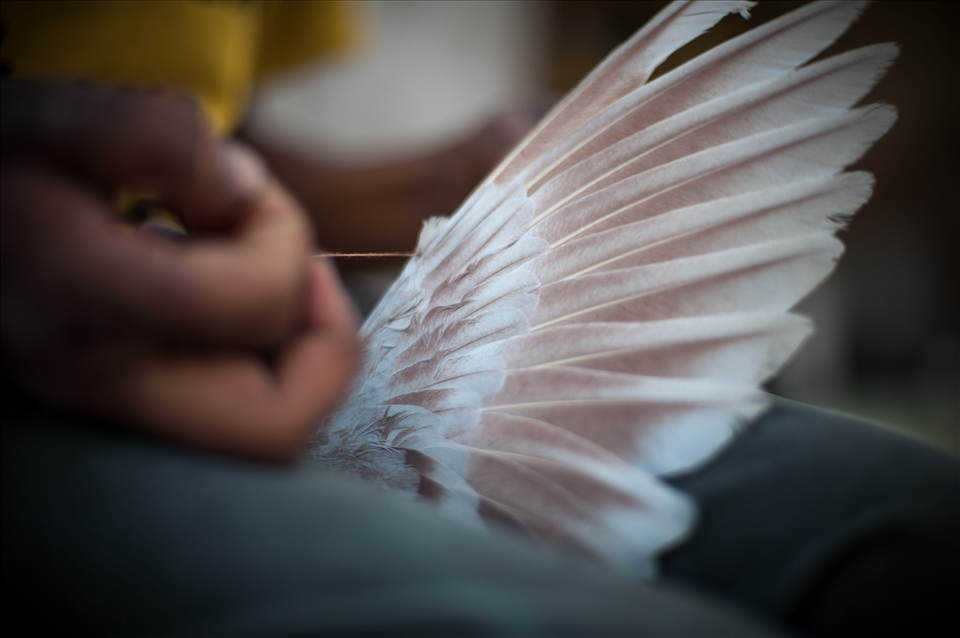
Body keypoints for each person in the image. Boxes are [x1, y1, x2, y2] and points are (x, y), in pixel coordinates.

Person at [2, 3, 957, 636]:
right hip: (45, 386)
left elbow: (211, 147)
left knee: (911, 526)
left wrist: (453, 178)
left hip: (280, 323)